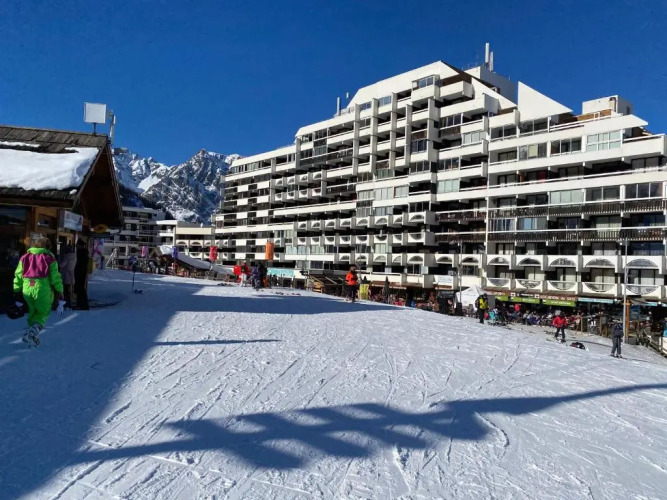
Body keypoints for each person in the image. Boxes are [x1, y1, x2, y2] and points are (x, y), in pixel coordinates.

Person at [13, 237, 64, 344]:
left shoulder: (24, 257)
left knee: (32, 312)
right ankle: (32, 333)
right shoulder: (49, 258)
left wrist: (16, 290)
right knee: (42, 312)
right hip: (42, 288)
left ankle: (31, 335)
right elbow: (55, 277)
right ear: (48, 246)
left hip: (27, 287)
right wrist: (60, 291)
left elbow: (18, 275)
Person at [59, 244, 77, 308]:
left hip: (66, 275)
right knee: (68, 290)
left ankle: (66, 303)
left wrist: (60, 259)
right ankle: (68, 303)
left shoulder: (67, 257)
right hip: (71, 275)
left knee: (65, 290)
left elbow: (62, 265)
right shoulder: (74, 256)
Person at [74, 239, 90, 310]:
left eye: (77, 245)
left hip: (80, 273)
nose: (76, 246)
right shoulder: (84, 253)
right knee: (80, 288)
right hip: (82, 273)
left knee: (80, 289)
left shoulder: (81, 253)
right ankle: (81, 304)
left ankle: (82, 305)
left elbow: (79, 264)